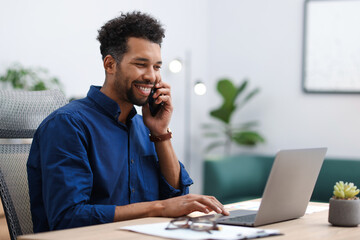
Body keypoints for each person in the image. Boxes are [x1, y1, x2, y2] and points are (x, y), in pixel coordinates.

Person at [27, 11, 228, 233]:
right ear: (110, 64)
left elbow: (178, 199)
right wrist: (158, 207)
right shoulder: (67, 125)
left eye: (157, 66)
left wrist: (160, 133)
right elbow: (68, 217)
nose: (152, 76)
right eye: (141, 64)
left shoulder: (146, 128)